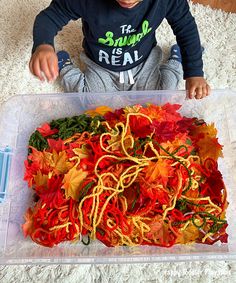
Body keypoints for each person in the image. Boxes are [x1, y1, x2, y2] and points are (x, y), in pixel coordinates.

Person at [29, 0, 211, 99]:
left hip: (144, 62)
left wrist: (194, 72)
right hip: (100, 66)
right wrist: (43, 45)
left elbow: (186, 27)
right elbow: (49, 17)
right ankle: (64, 64)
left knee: (165, 97)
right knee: (90, 103)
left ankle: (177, 59)